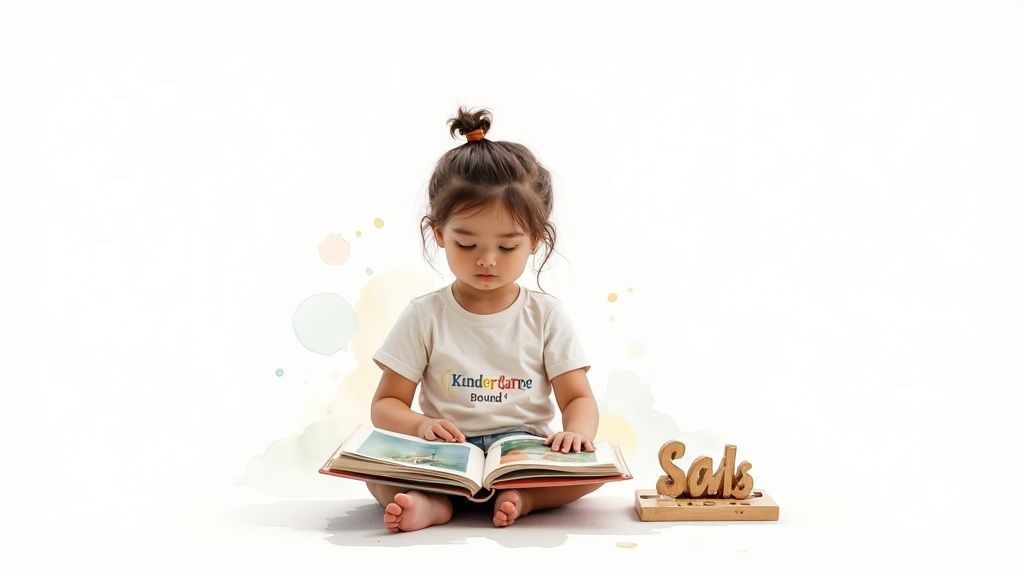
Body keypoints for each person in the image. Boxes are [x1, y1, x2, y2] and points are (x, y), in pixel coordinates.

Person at [366, 106, 601, 532]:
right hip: (444, 454)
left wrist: (577, 434)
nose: (487, 260)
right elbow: (386, 405)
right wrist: (421, 424)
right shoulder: (425, 314)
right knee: (375, 475)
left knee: (590, 475)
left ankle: (523, 497)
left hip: (521, 453)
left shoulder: (545, 315)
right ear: (438, 233)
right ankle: (434, 502)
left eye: (507, 247)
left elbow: (577, 399)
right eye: (467, 243)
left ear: (535, 240)